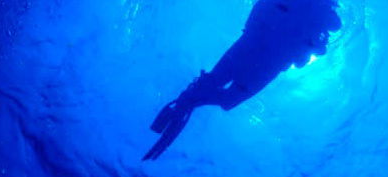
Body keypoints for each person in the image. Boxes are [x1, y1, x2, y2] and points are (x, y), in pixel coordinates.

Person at [143, 0, 342, 161]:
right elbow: (303, 58)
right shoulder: (327, 16)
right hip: (262, 57)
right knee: (225, 95)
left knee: (224, 94)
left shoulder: (325, 16)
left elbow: (306, 54)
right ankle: (190, 99)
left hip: (256, 50)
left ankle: (190, 99)